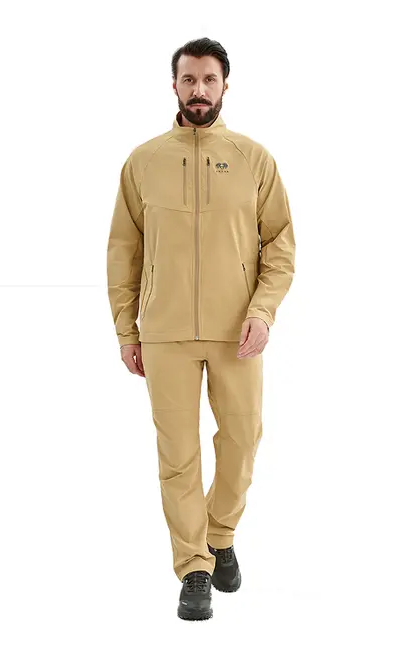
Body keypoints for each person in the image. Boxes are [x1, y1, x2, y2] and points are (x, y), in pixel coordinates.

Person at [107, 37, 296, 621]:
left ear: (224, 86)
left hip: (237, 330)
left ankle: (220, 533)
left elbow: (280, 246)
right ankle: (193, 566)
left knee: (242, 441)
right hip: (164, 333)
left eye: (208, 79)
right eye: (188, 79)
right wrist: (127, 330)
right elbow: (123, 251)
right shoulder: (143, 162)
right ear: (174, 85)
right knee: (178, 454)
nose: (198, 90)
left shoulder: (253, 159)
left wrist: (262, 311)